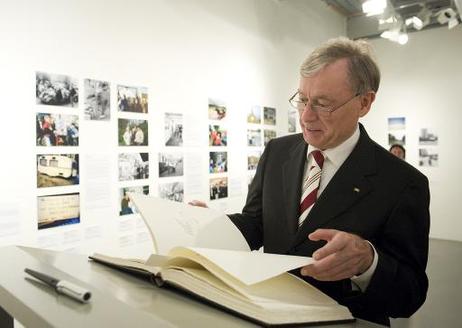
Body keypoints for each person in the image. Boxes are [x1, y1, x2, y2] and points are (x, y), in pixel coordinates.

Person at [190, 37, 430, 326]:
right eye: (302, 99)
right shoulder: (277, 152)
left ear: (364, 102)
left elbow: (410, 294)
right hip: (268, 313)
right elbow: (256, 223)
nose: (305, 116)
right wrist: (213, 227)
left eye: (323, 104)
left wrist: (368, 262)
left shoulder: (402, 182)